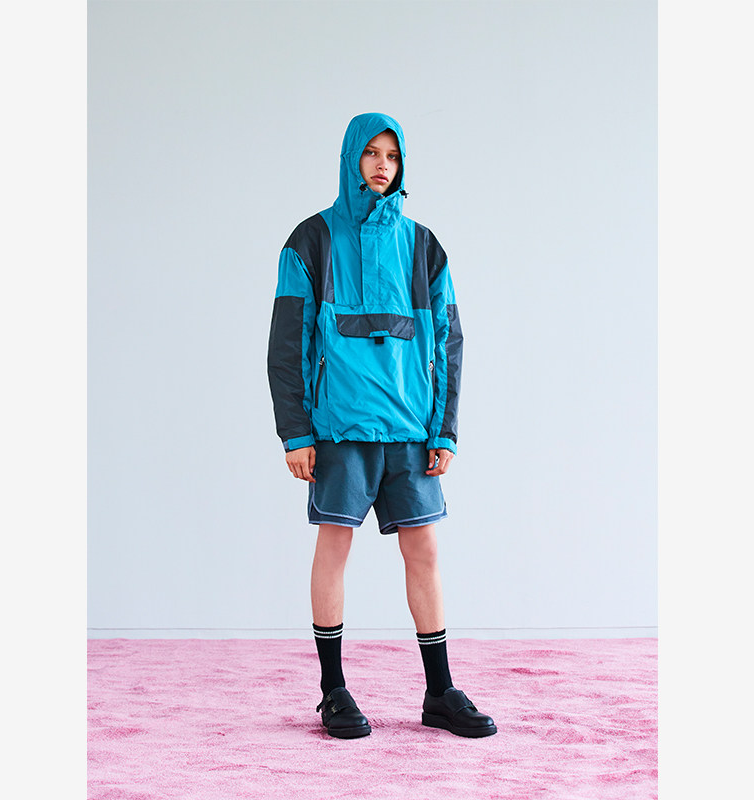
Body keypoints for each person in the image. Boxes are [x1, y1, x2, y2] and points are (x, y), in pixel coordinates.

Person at [267, 112, 496, 739]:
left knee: (424, 552)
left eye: (392, 156)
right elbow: (287, 344)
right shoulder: (311, 241)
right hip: (339, 429)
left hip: (409, 431)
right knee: (334, 548)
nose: (382, 165)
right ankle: (333, 691)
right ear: (350, 159)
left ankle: (439, 692)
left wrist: (444, 429)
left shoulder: (423, 245)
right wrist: (296, 432)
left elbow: (448, 342)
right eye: (370, 153)